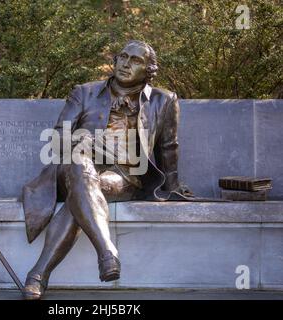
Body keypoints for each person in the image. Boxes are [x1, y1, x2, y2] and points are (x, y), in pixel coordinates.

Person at [22, 40, 192, 299]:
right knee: (80, 166)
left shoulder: (164, 100)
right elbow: (58, 138)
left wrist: (172, 186)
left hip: (122, 175)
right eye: (123, 57)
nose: (125, 63)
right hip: (70, 168)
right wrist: (85, 142)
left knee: (81, 198)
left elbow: (169, 147)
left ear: (148, 70)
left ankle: (38, 275)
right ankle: (106, 252)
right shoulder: (84, 92)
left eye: (136, 60)